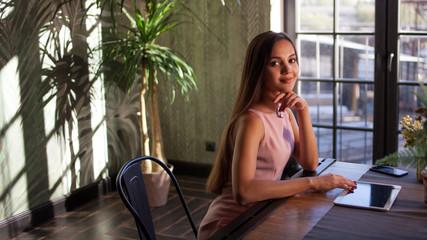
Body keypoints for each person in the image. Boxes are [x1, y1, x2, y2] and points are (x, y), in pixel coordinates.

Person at [197, 31, 357, 240]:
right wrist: (314, 183)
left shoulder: (285, 112)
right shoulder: (252, 120)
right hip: (232, 227)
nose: (287, 69)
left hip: (262, 214)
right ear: (258, 71)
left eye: (292, 60)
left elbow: (310, 163)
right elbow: (244, 192)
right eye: (275, 63)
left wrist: (303, 110)